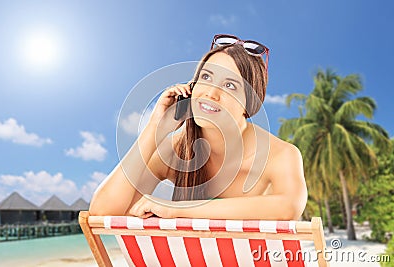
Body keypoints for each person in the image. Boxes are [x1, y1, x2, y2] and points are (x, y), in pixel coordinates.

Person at [89, 34, 307, 220]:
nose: (211, 93)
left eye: (230, 85)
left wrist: (180, 209)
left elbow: (289, 207)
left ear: (250, 103)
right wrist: (155, 129)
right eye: (206, 77)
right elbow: (101, 213)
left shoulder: (279, 155)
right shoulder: (177, 148)